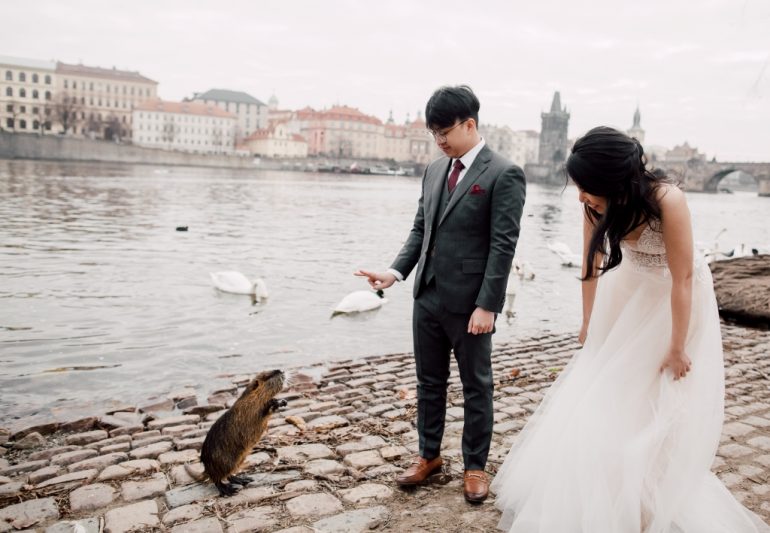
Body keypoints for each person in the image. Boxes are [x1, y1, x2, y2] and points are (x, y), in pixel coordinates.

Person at [491, 126, 770, 532]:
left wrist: (677, 346)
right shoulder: (592, 204)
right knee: (605, 386)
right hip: (629, 289)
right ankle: (603, 481)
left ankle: (646, 492)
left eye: (588, 187)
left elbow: (683, 278)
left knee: (653, 394)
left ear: (616, 182)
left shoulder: (667, 201)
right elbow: (589, 266)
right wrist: (589, 322)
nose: (581, 196)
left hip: (675, 299)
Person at [356, 85, 526, 502]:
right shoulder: (434, 170)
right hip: (426, 296)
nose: (440, 140)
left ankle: (474, 466)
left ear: (470, 124)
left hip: (472, 305)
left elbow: (503, 245)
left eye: (446, 131)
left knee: (476, 386)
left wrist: (488, 304)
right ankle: (428, 456)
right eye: (434, 133)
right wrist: (395, 272)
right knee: (428, 382)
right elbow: (421, 229)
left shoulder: (504, 173)